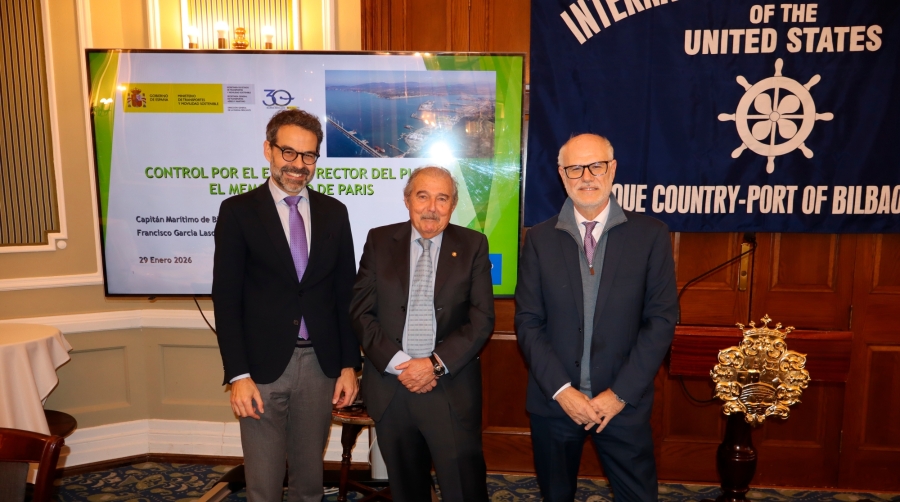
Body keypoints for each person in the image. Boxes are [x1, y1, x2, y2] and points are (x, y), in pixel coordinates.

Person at [515, 134, 678, 501]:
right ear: (561, 174)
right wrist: (563, 392)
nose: (586, 176)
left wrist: (618, 395)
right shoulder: (539, 239)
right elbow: (528, 322)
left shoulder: (650, 235)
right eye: (575, 168)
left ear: (612, 169)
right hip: (556, 403)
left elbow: (661, 321)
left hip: (622, 404)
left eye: (596, 166)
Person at [213, 109, 360, 502]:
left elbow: (344, 294)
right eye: (289, 152)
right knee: (263, 483)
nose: (298, 164)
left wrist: (349, 366)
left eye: (308, 155)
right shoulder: (238, 212)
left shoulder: (334, 213)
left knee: (309, 482)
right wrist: (238, 375)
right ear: (269, 150)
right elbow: (226, 299)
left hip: (320, 367)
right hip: (260, 370)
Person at [350, 166, 495, 502]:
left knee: (464, 490)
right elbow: (360, 311)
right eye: (423, 196)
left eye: (442, 199)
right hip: (392, 386)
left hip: (448, 386)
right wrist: (400, 363)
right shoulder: (379, 241)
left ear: (453, 204)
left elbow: (482, 317)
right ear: (407, 200)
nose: (432, 207)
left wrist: (434, 364)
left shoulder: (473, 244)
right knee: (407, 490)